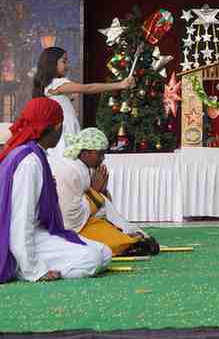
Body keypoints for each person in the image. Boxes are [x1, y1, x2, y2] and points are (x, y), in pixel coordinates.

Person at [0, 98, 112, 283]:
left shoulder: (36, 154)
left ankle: (37, 263)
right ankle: (21, 268)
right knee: (91, 259)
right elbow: (21, 220)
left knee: (104, 253)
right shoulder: (29, 162)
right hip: (19, 239)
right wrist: (33, 270)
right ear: (57, 126)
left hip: (37, 233)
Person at [48, 128, 158, 256]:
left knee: (110, 231)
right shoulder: (70, 171)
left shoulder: (84, 168)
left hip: (85, 222)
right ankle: (127, 243)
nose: (103, 158)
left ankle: (126, 237)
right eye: (100, 154)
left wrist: (101, 193)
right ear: (85, 153)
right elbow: (70, 218)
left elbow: (96, 206)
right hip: (70, 228)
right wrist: (95, 193)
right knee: (111, 241)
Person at [32, 47, 135, 157]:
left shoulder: (49, 85)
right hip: (66, 130)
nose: (67, 66)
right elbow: (89, 88)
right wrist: (120, 85)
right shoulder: (56, 83)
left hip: (65, 128)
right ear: (51, 63)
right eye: (64, 61)